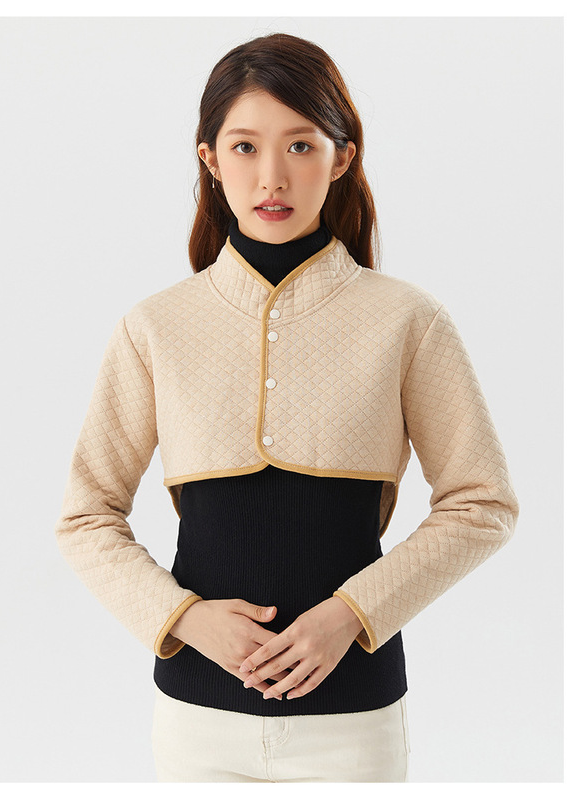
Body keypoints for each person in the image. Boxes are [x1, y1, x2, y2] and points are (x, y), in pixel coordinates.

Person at [54, 32, 520, 783]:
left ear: (341, 157)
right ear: (209, 160)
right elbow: (85, 516)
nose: (271, 176)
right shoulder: (155, 326)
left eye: (301, 146)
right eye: (244, 147)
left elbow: (482, 503)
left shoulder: (407, 320)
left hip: (354, 724)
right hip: (196, 724)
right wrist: (184, 619)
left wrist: (350, 615)